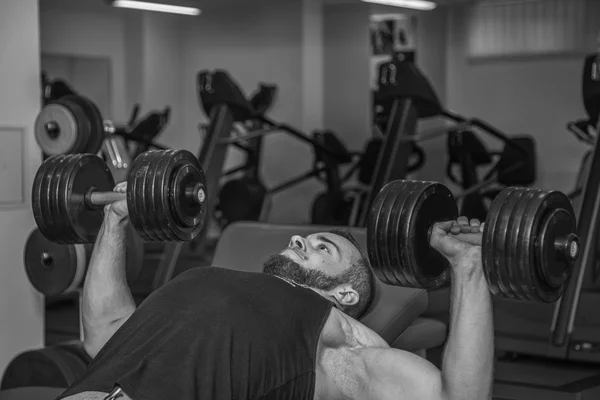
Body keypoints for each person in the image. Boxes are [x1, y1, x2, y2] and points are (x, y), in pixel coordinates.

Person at [58, 182, 493, 400]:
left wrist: (468, 267)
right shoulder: (205, 280)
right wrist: (114, 220)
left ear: (344, 295)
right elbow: (105, 333)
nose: (302, 241)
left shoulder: (339, 339)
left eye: (325, 248)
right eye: (307, 239)